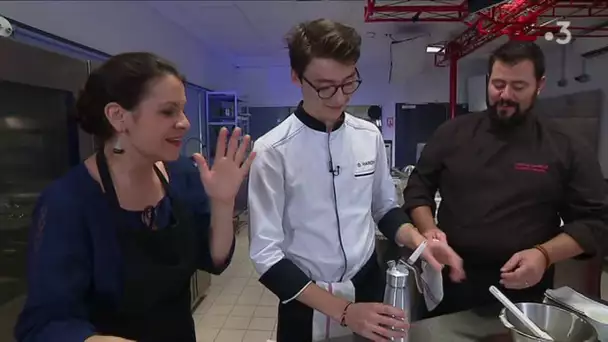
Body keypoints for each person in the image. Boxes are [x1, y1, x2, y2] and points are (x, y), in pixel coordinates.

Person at [247, 19, 465, 342]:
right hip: (305, 298)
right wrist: (345, 311)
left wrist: (420, 242)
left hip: (367, 286)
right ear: (296, 77)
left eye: (349, 83)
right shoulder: (271, 151)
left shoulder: (369, 136)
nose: (339, 98)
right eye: (325, 86)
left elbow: (385, 209)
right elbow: (266, 256)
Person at [14, 52, 255, 342]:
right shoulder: (69, 202)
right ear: (118, 116)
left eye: (183, 110)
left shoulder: (182, 176)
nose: (185, 123)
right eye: (168, 111)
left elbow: (214, 259)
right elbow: (44, 324)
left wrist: (223, 202)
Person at [403, 40, 608, 318]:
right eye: (498, 84)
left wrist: (544, 255)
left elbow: (596, 222)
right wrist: (429, 231)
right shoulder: (452, 133)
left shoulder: (566, 145)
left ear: (540, 84)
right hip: (449, 277)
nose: (505, 95)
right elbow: (418, 188)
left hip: (523, 288)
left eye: (518, 87)